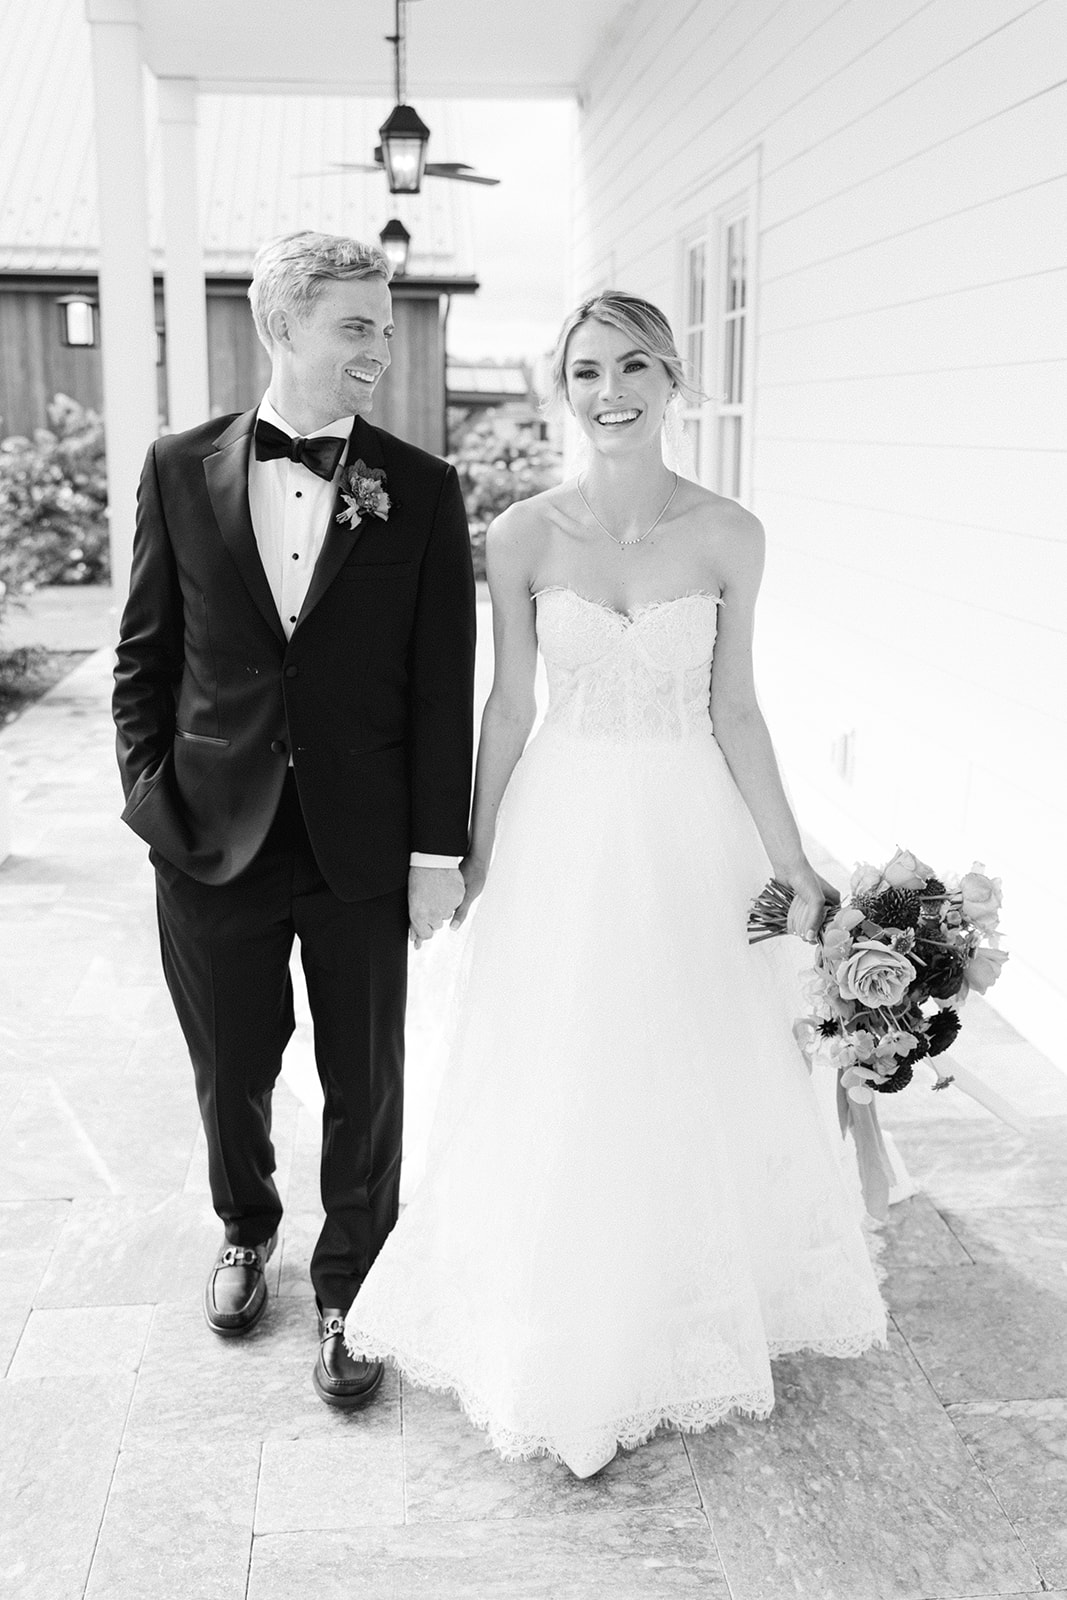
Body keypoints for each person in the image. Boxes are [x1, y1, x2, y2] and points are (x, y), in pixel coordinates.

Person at [343, 289, 887, 1476]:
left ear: (673, 378)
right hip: (562, 826)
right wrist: (472, 853)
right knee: (572, 1057)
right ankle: (565, 1330)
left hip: (690, 820)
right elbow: (507, 705)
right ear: (562, 388)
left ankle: (681, 1304)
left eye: (634, 367)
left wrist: (790, 859)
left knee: (687, 1053)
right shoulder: (524, 532)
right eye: (586, 371)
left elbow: (734, 706)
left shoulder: (730, 534)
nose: (610, 393)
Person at [112, 232, 476, 1406]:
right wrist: (153, 806)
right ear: (283, 328)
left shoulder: (421, 488)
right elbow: (143, 661)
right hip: (211, 836)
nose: (379, 345)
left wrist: (436, 853)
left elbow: (437, 688)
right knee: (231, 1064)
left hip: (362, 842)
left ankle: (352, 1287)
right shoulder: (176, 467)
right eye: (355, 325)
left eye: (384, 323)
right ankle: (243, 1227)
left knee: (365, 1075)